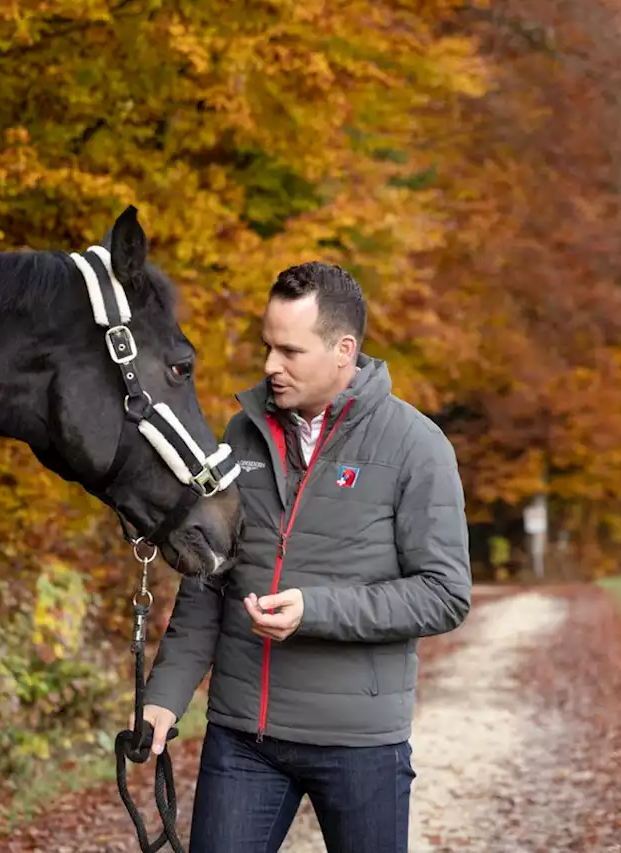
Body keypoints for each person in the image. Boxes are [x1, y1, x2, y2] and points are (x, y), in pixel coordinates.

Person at [138, 261, 472, 852]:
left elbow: (444, 595)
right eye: (268, 346)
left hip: (360, 744)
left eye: (290, 351)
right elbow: (207, 580)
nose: (270, 366)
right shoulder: (239, 436)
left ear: (344, 350)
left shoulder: (417, 447)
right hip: (244, 738)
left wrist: (314, 611)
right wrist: (166, 694)